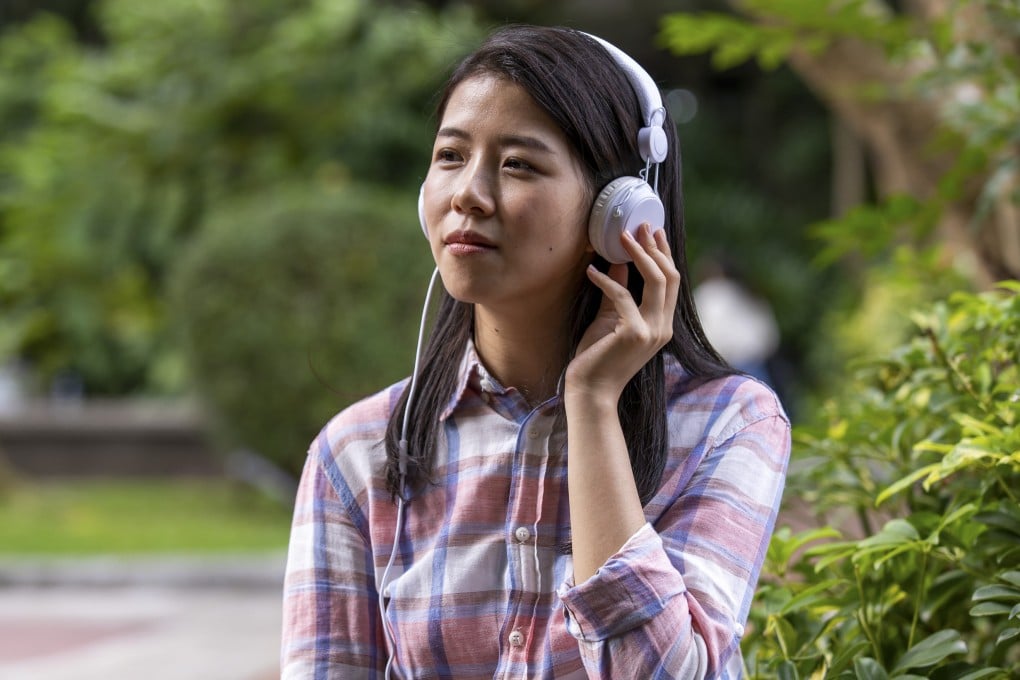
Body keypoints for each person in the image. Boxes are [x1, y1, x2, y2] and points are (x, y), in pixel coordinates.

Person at [281, 25, 790, 679]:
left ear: (621, 212)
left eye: (518, 163)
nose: (467, 193)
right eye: (450, 156)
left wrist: (593, 403)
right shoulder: (355, 454)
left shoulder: (730, 423)